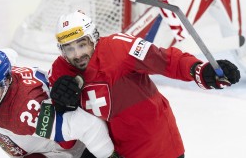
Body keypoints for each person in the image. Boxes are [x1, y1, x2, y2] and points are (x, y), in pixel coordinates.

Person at [48, 10, 241, 158]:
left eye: (82, 44)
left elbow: (166, 60)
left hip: (156, 146)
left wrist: (199, 70)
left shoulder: (120, 48)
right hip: (110, 149)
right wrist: (62, 109)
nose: (77, 55)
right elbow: (65, 138)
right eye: (69, 48)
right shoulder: (59, 71)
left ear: (94, 37)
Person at [0, 49, 120, 158]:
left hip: (71, 150)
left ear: (6, 82)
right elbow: (8, 56)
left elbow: (90, 126)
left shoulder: (25, 113)